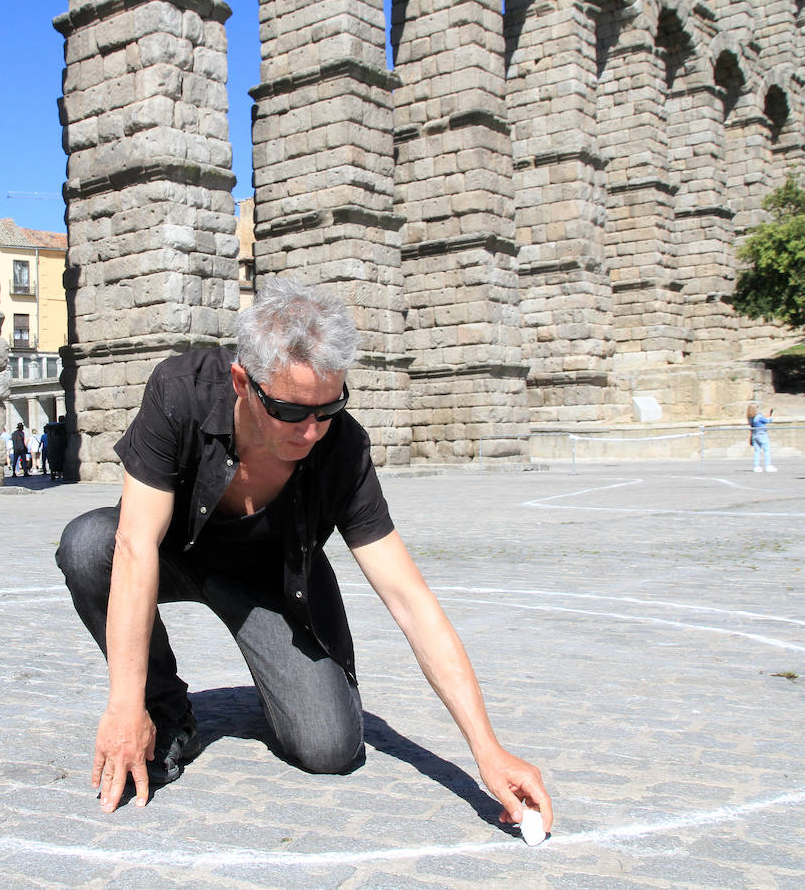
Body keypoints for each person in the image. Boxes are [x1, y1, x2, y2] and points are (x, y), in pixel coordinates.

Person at [55, 279, 553, 832]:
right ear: (243, 382)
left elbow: (410, 599)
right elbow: (134, 544)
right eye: (292, 412)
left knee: (330, 748)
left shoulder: (342, 447)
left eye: (329, 409)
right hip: (178, 554)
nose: (312, 431)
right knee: (88, 545)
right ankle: (166, 709)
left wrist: (487, 749)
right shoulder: (181, 391)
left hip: (276, 586)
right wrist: (126, 705)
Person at [747, 402, 775, 473]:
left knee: (757, 451)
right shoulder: (759, 416)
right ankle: (768, 465)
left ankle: (756, 466)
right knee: (766, 450)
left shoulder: (750, 417)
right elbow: (767, 421)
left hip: (754, 435)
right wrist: (770, 417)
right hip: (762, 434)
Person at [45, 415, 67, 481]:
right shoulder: (62, 426)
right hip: (62, 446)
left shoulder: (53, 427)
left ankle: (54, 472)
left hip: (53, 448)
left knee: (54, 461)